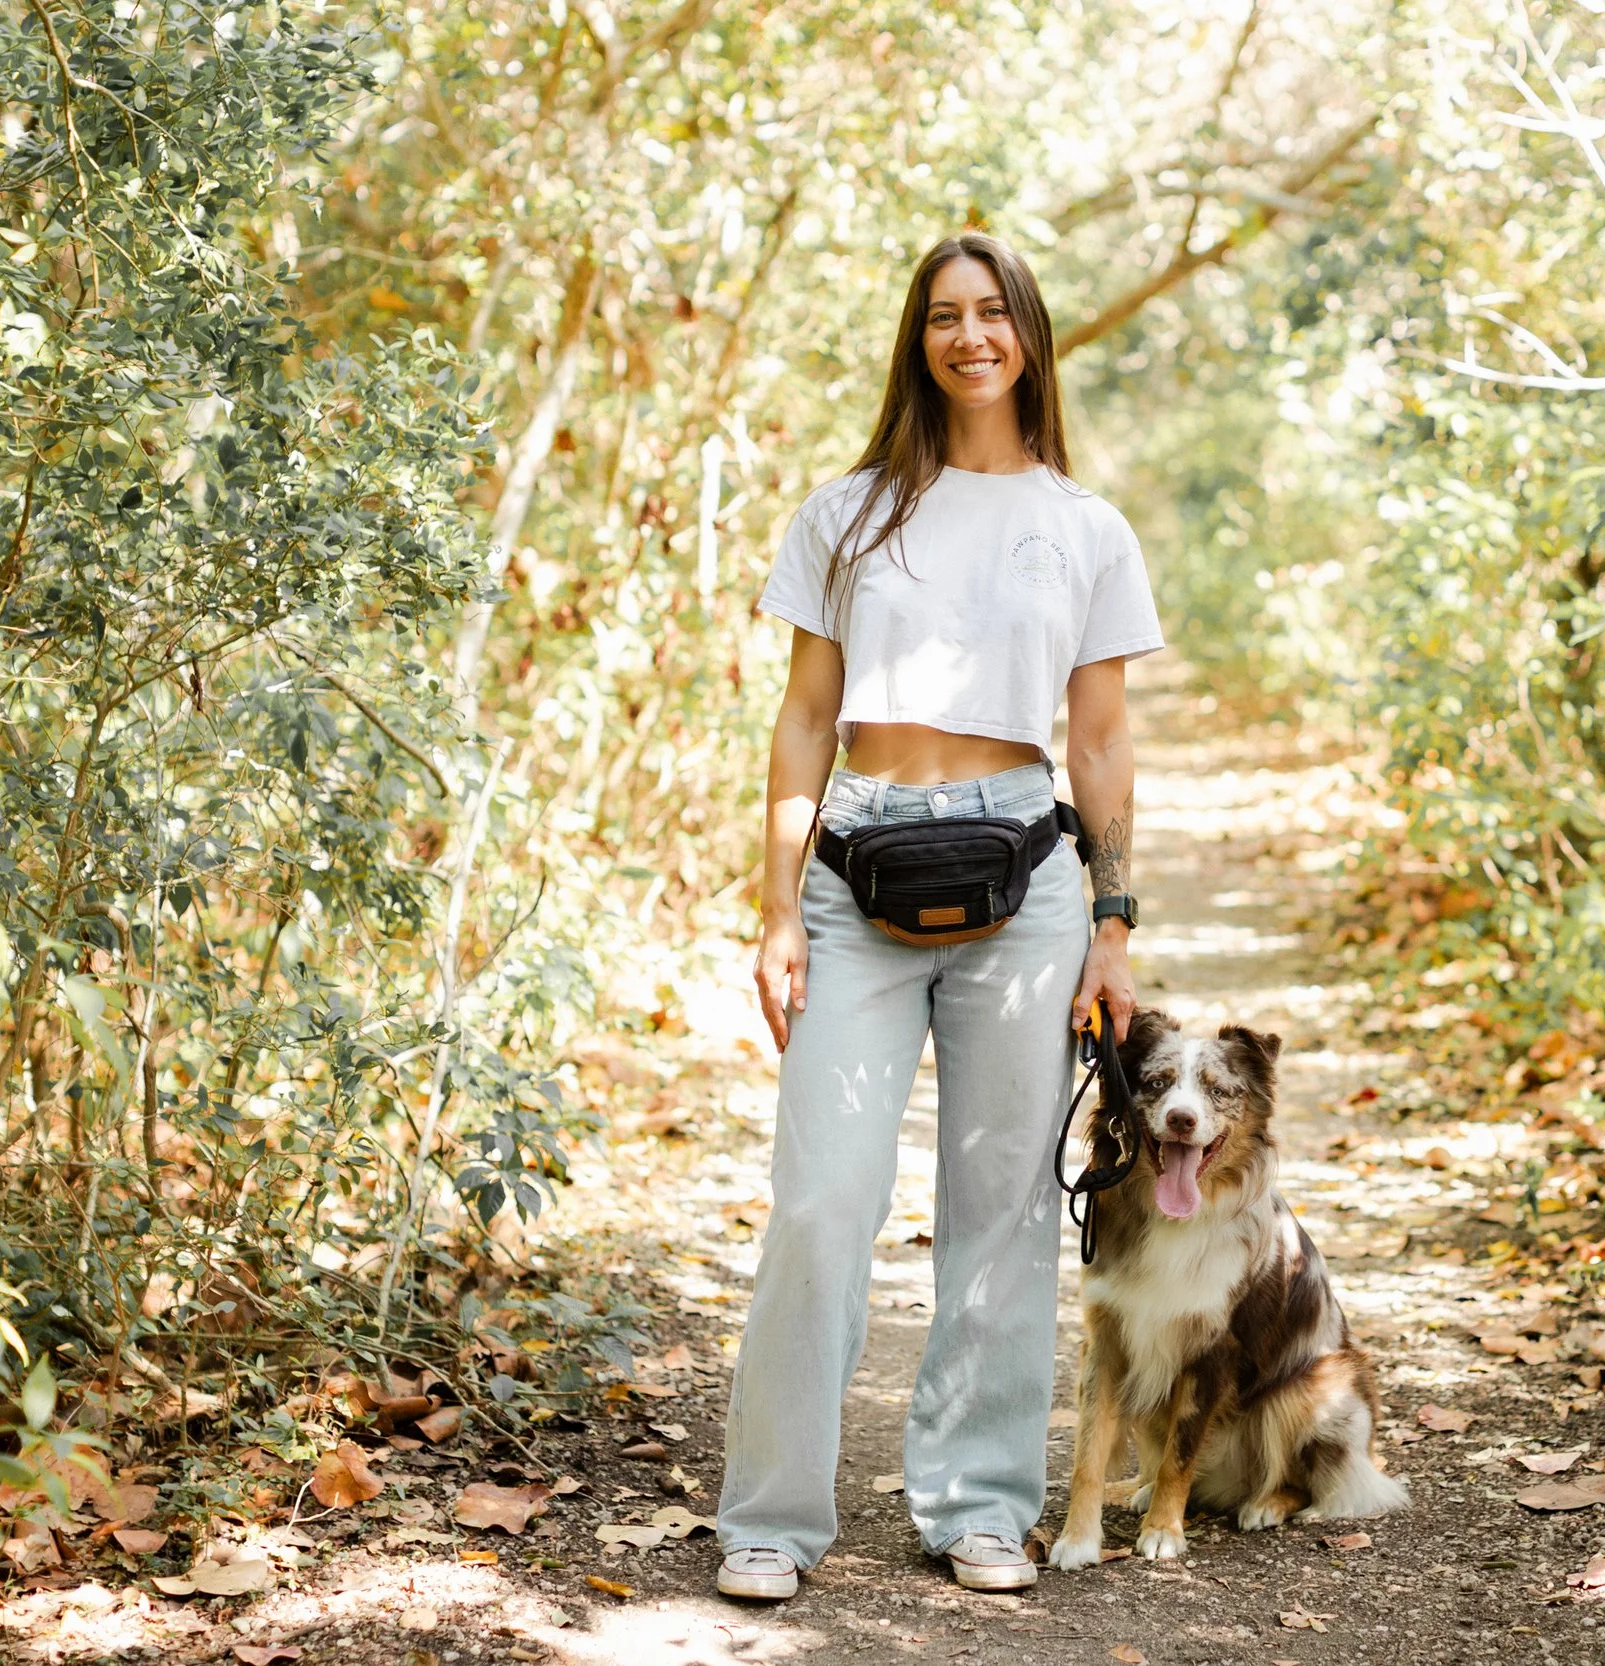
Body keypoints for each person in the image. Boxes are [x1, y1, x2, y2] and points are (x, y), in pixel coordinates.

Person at [715, 232, 1162, 1601]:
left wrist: (1113, 919)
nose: (970, 336)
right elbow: (803, 717)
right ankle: (771, 1519)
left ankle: (978, 1501)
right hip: (857, 874)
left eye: (993, 313)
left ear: (1029, 331)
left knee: (1005, 1211)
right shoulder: (848, 510)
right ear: (920, 340)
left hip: (1025, 885)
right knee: (819, 1206)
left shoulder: (1085, 526)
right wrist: (779, 906)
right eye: (944, 317)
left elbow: (1097, 745)